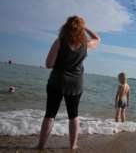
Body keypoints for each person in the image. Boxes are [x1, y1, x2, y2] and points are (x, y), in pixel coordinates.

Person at [37, 16, 100, 151]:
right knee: (73, 116)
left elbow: (48, 64)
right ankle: (73, 145)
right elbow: (98, 39)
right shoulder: (85, 45)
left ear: (66, 27)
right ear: (80, 29)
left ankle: (41, 146)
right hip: (75, 85)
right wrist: (86, 28)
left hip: (57, 82)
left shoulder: (60, 42)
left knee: (50, 115)